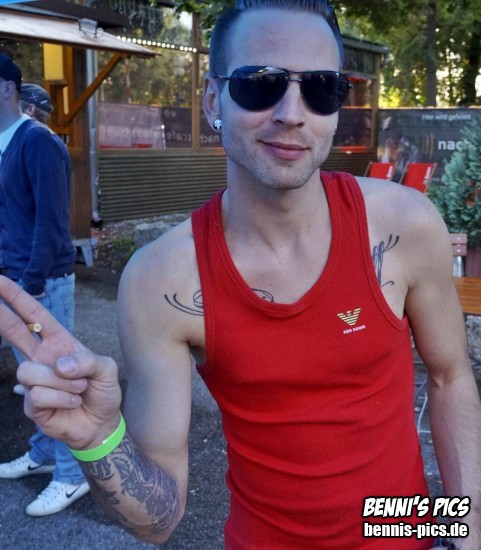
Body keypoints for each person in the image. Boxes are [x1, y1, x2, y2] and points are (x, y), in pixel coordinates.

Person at [0, 2, 480, 547]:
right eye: (260, 84)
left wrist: (464, 531)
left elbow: (451, 378)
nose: (292, 113)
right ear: (213, 99)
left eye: (321, 88)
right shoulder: (163, 278)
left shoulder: (404, 224)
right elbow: (159, 521)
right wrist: (99, 440)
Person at [0, 56, 90, 516]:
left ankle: (72, 476)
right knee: (32, 379)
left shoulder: (37, 141)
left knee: (56, 378)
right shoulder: (5, 143)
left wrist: (30, 284)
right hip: (14, 282)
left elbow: (53, 222)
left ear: (7, 88)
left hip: (40, 286)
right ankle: (43, 454)